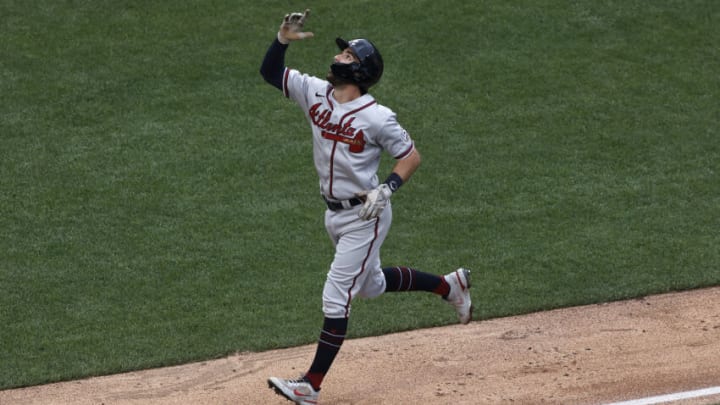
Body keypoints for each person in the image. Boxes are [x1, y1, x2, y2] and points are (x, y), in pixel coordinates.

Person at [260, 10, 473, 405]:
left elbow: (410, 156)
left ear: (359, 73)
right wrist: (282, 39)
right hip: (333, 214)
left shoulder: (378, 118)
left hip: (366, 215)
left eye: (347, 57)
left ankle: (311, 385)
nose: (338, 58)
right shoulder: (314, 92)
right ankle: (449, 286)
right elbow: (271, 73)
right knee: (371, 284)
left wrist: (388, 189)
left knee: (336, 293)